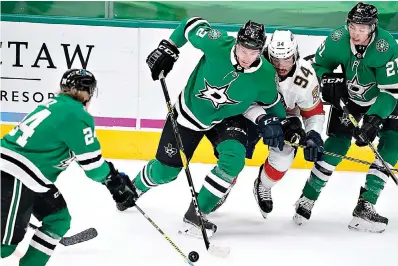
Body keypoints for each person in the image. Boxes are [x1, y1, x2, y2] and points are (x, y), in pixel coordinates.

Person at [120, 18, 287, 238]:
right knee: (166, 172)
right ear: (236, 43)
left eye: (253, 52)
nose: (246, 57)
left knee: (234, 159)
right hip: (188, 115)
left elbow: (274, 106)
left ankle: (196, 213)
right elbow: (190, 24)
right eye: (243, 50)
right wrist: (168, 47)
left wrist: (283, 124)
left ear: (260, 51)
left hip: (227, 120)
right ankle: (134, 187)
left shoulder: (265, 75)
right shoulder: (217, 43)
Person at [1, 69, 135, 265]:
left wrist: (112, 178)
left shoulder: (53, 104)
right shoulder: (77, 115)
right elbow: (94, 168)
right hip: (15, 176)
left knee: (58, 218)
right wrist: (114, 180)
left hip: (27, 176)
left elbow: (85, 158)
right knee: (4, 248)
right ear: (87, 92)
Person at [293, 2, 398, 233]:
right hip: (348, 97)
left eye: (362, 28)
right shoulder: (337, 38)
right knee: (337, 144)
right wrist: (327, 80)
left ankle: (366, 205)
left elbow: (390, 91)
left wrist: (374, 120)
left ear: (373, 27)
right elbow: (315, 66)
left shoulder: (386, 45)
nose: (356, 32)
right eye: (353, 26)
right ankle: (307, 198)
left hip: (383, 98)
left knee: (392, 142)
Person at [210, 30, 326, 218]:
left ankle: (263, 185)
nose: (281, 66)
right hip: (246, 114)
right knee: (234, 154)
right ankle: (223, 186)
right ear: (266, 54)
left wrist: (313, 134)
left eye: (286, 59)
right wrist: (263, 119)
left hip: (285, 117)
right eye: (275, 59)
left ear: (295, 54)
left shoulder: (306, 76)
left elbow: (314, 112)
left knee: (283, 157)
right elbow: (240, 102)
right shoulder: (251, 66)